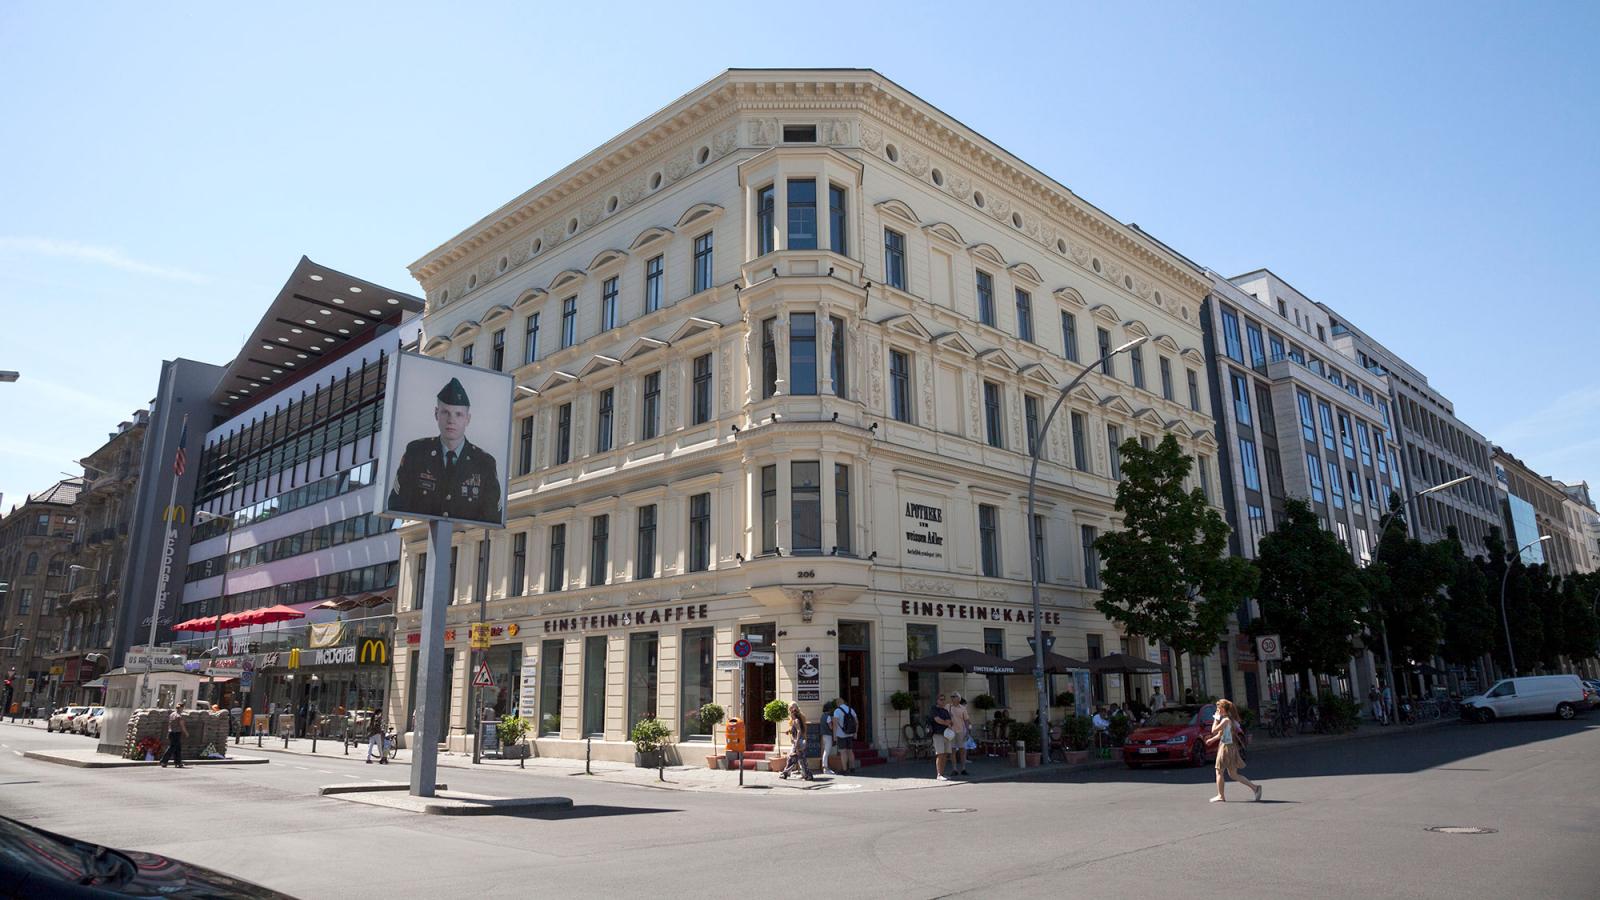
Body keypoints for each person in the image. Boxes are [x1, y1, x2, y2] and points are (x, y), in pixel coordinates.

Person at [387, 377, 503, 523]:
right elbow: (396, 504)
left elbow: (492, 516)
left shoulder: (484, 462)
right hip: (422, 536)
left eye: (458, 414)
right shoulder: (416, 453)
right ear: (436, 414)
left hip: (464, 539)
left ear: (468, 419)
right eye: (445, 412)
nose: (451, 420)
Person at [1206, 698, 1261, 802]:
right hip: (1230, 747)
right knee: (1233, 774)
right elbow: (1220, 734)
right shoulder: (1228, 720)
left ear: (1223, 709)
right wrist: (1212, 740)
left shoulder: (1225, 720)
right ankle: (1255, 788)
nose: (1217, 710)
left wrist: (1216, 718)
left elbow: (1213, 730)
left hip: (1226, 748)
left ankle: (1220, 796)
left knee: (1219, 771)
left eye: (1218, 708)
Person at [777, 703, 813, 781]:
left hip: (798, 741)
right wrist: (789, 731)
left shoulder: (797, 719)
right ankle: (807, 775)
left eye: (791, 711)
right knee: (801, 759)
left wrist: (797, 742)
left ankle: (785, 773)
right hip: (798, 741)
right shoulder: (795, 719)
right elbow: (796, 728)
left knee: (792, 758)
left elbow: (800, 730)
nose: (790, 713)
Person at [930, 694, 954, 780]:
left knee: (945, 754)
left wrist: (945, 722)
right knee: (940, 754)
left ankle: (943, 773)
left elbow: (949, 720)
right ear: (937, 700)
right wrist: (945, 722)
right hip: (937, 734)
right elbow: (937, 720)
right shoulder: (934, 709)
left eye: (944, 699)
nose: (942, 701)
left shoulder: (945, 711)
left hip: (946, 735)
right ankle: (939, 774)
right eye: (941, 699)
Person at [949, 693, 972, 776]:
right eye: (952, 697)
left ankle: (963, 768)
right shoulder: (948, 707)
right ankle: (954, 768)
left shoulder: (963, 708)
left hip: (961, 731)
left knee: (962, 750)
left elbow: (966, 720)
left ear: (959, 699)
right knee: (953, 751)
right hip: (951, 731)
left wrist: (968, 731)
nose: (952, 698)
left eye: (954, 697)